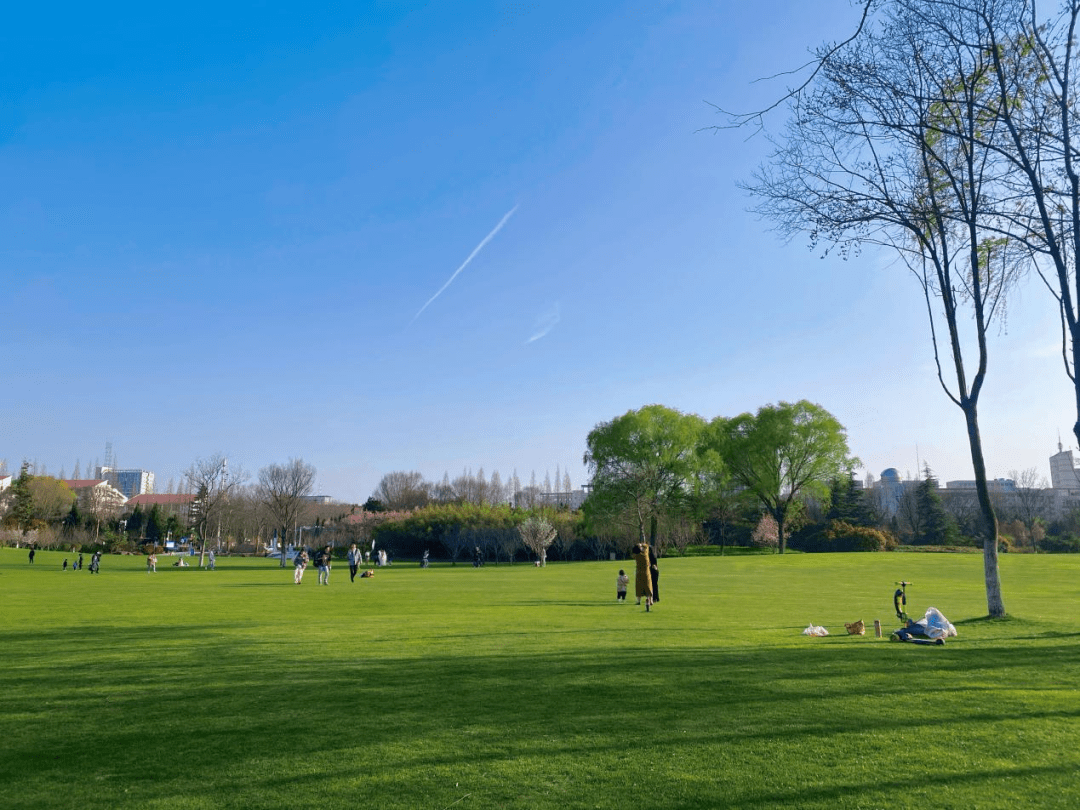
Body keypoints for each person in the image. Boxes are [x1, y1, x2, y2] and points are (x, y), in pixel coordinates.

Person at [631, 543, 653, 611]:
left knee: (639, 586)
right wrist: (643, 544)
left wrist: (640, 546)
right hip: (646, 572)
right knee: (648, 586)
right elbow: (646, 546)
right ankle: (650, 600)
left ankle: (638, 600)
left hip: (639, 572)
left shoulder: (636, 556)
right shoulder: (645, 554)